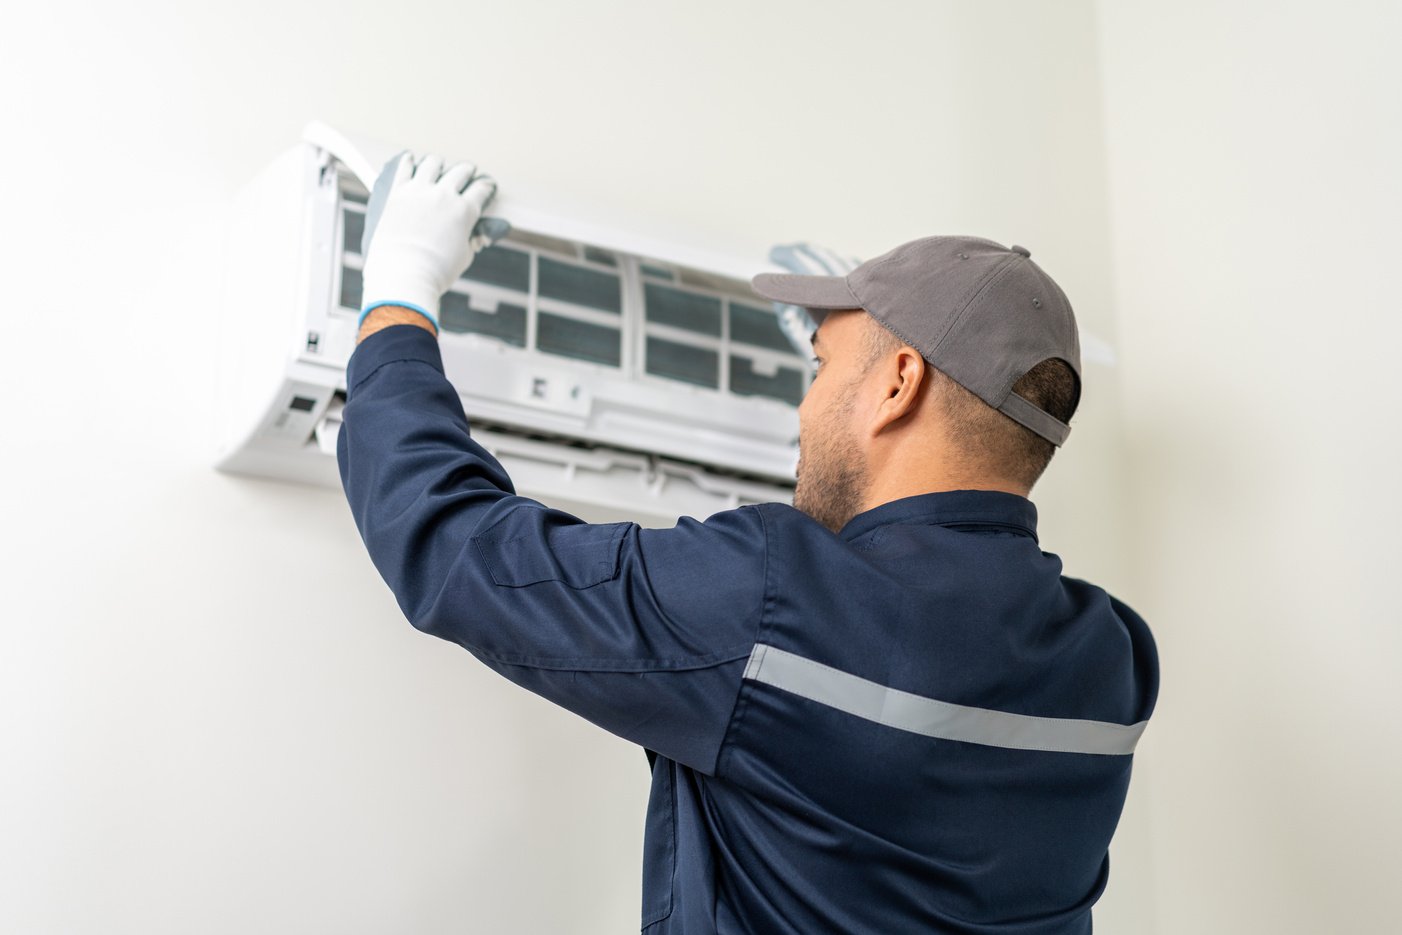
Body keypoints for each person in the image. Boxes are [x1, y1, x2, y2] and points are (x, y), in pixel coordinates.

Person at [338, 152, 1159, 934]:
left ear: (899, 383)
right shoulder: (1114, 664)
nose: (806, 406)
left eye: (818, 367)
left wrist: (400, 288)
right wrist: (853, 397)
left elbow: (454, 546)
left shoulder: (764, 600)